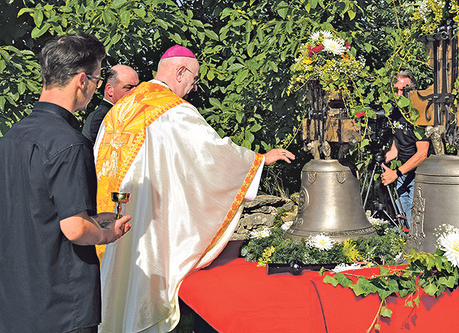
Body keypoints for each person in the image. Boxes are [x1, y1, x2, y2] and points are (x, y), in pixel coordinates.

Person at [93, 45, 295, 333]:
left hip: (113, 215)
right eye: (194, 79)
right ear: (179, 71)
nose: (193, 87)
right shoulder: (173, 110)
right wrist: (260, 160)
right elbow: (210, 155)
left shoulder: (121, 108)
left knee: (118, 290)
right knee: (140, 295)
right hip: (145, 223)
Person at [0, 34, 132, 333]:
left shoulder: (11, 137)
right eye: (98, 80)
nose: (96, 88)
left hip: (14, 301)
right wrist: (106, 233)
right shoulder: (69, 144)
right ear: (82, 80)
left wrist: (93, 219)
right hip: (61, 304)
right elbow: (74, 229)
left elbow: (34, 212)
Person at [380, 70, 433, 228]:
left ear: (413, 91)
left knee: (413, 218)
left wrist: (396, 173)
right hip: (404, 174)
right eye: (395, 89)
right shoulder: (396, 112)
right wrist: (380, 161)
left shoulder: (417, 114)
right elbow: (396, 148)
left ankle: (414, 251)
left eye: (404, 90)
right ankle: (401, 248)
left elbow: (422, 153)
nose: (399, 93)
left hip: (421, 174)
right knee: (401, 217)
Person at [82, 64, 139, 142]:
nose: (135, 92)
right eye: (128, 87)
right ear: (110, 89)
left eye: (137, 87)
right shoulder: (102, 118)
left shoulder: (115, 114)